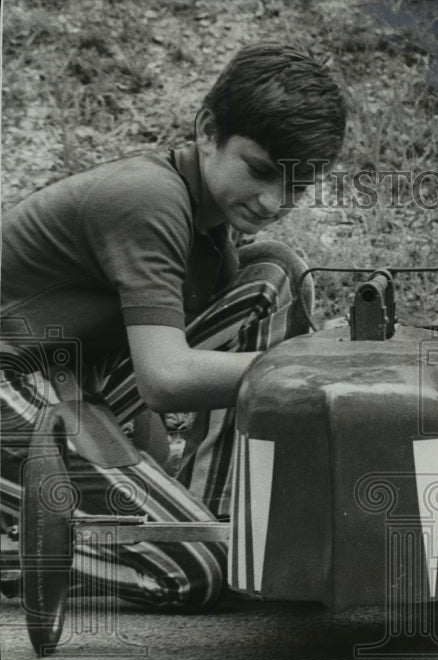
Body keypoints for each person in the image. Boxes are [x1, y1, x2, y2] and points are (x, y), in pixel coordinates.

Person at [1, 42, 346, 609]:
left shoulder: (209, 228)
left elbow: (133, 376)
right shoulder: (147, 198)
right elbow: (165, 379)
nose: (272, 201)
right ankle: (26, 550)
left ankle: (222, 515)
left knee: (273, 272)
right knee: (198, 570)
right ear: (208, 129)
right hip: (11, 385)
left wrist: (156, 487)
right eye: (260, 171)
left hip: (64, 387)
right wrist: (318, 363)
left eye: (297, 186)